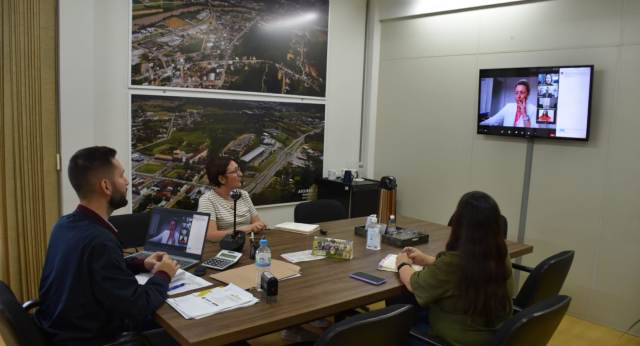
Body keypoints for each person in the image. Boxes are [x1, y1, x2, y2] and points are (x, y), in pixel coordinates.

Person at [35, 146, 179, 346]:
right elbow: (138, 305)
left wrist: (139, 264)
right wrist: (164, 274)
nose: (127, 181)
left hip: (58, 329)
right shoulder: (100, 241)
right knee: (184, 333)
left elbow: (89, 271)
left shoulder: (65, 225)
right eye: (121, 176)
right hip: (91, 338)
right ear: (106, 186)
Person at [395, 191, 513, 346]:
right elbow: (469, 269)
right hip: (493, 335)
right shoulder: (500, 254)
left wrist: (402, 263)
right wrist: (429, 260)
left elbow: (413, 283)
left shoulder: (454, 263)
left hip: (451, 339)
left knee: (397, 313)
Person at [197, 155, 266, 241]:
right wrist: (249, 228)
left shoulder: (243, 194)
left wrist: (258, 226)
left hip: (247, 243)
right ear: (222, 179)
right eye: (235, 172)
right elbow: (211, 235)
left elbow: (257, 222)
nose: (240, 174)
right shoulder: (207, 200)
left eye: (239, 170)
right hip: (222, 249)